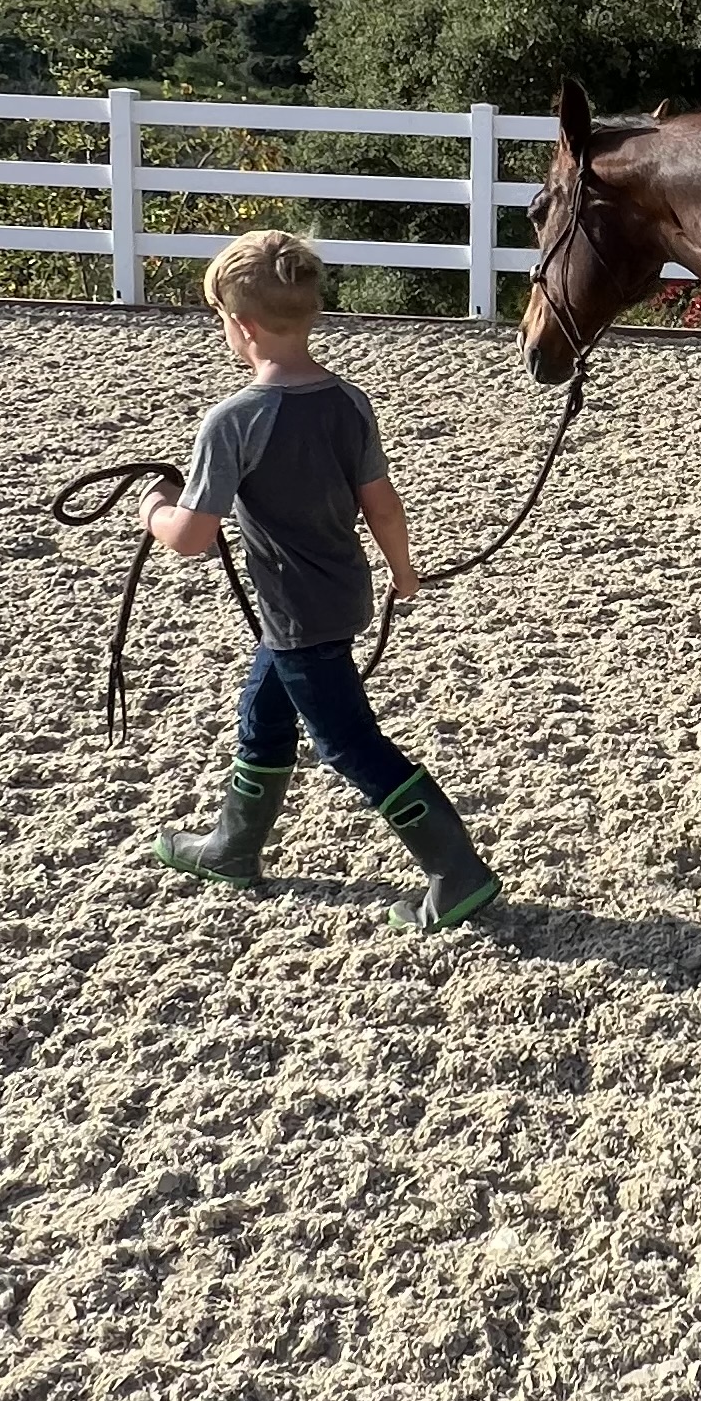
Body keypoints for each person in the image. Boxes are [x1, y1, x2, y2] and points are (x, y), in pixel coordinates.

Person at [140, 228, 501, 930]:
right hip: (335, 597)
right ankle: (233, 846)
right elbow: (383, 505)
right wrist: (405, 573)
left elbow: (191, 537)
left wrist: (152, 507)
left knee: (347, 744)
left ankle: (456, 870)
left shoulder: (234, 420)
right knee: (264, 715)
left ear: (240, 325)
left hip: (298, 614)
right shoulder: (349, 401)